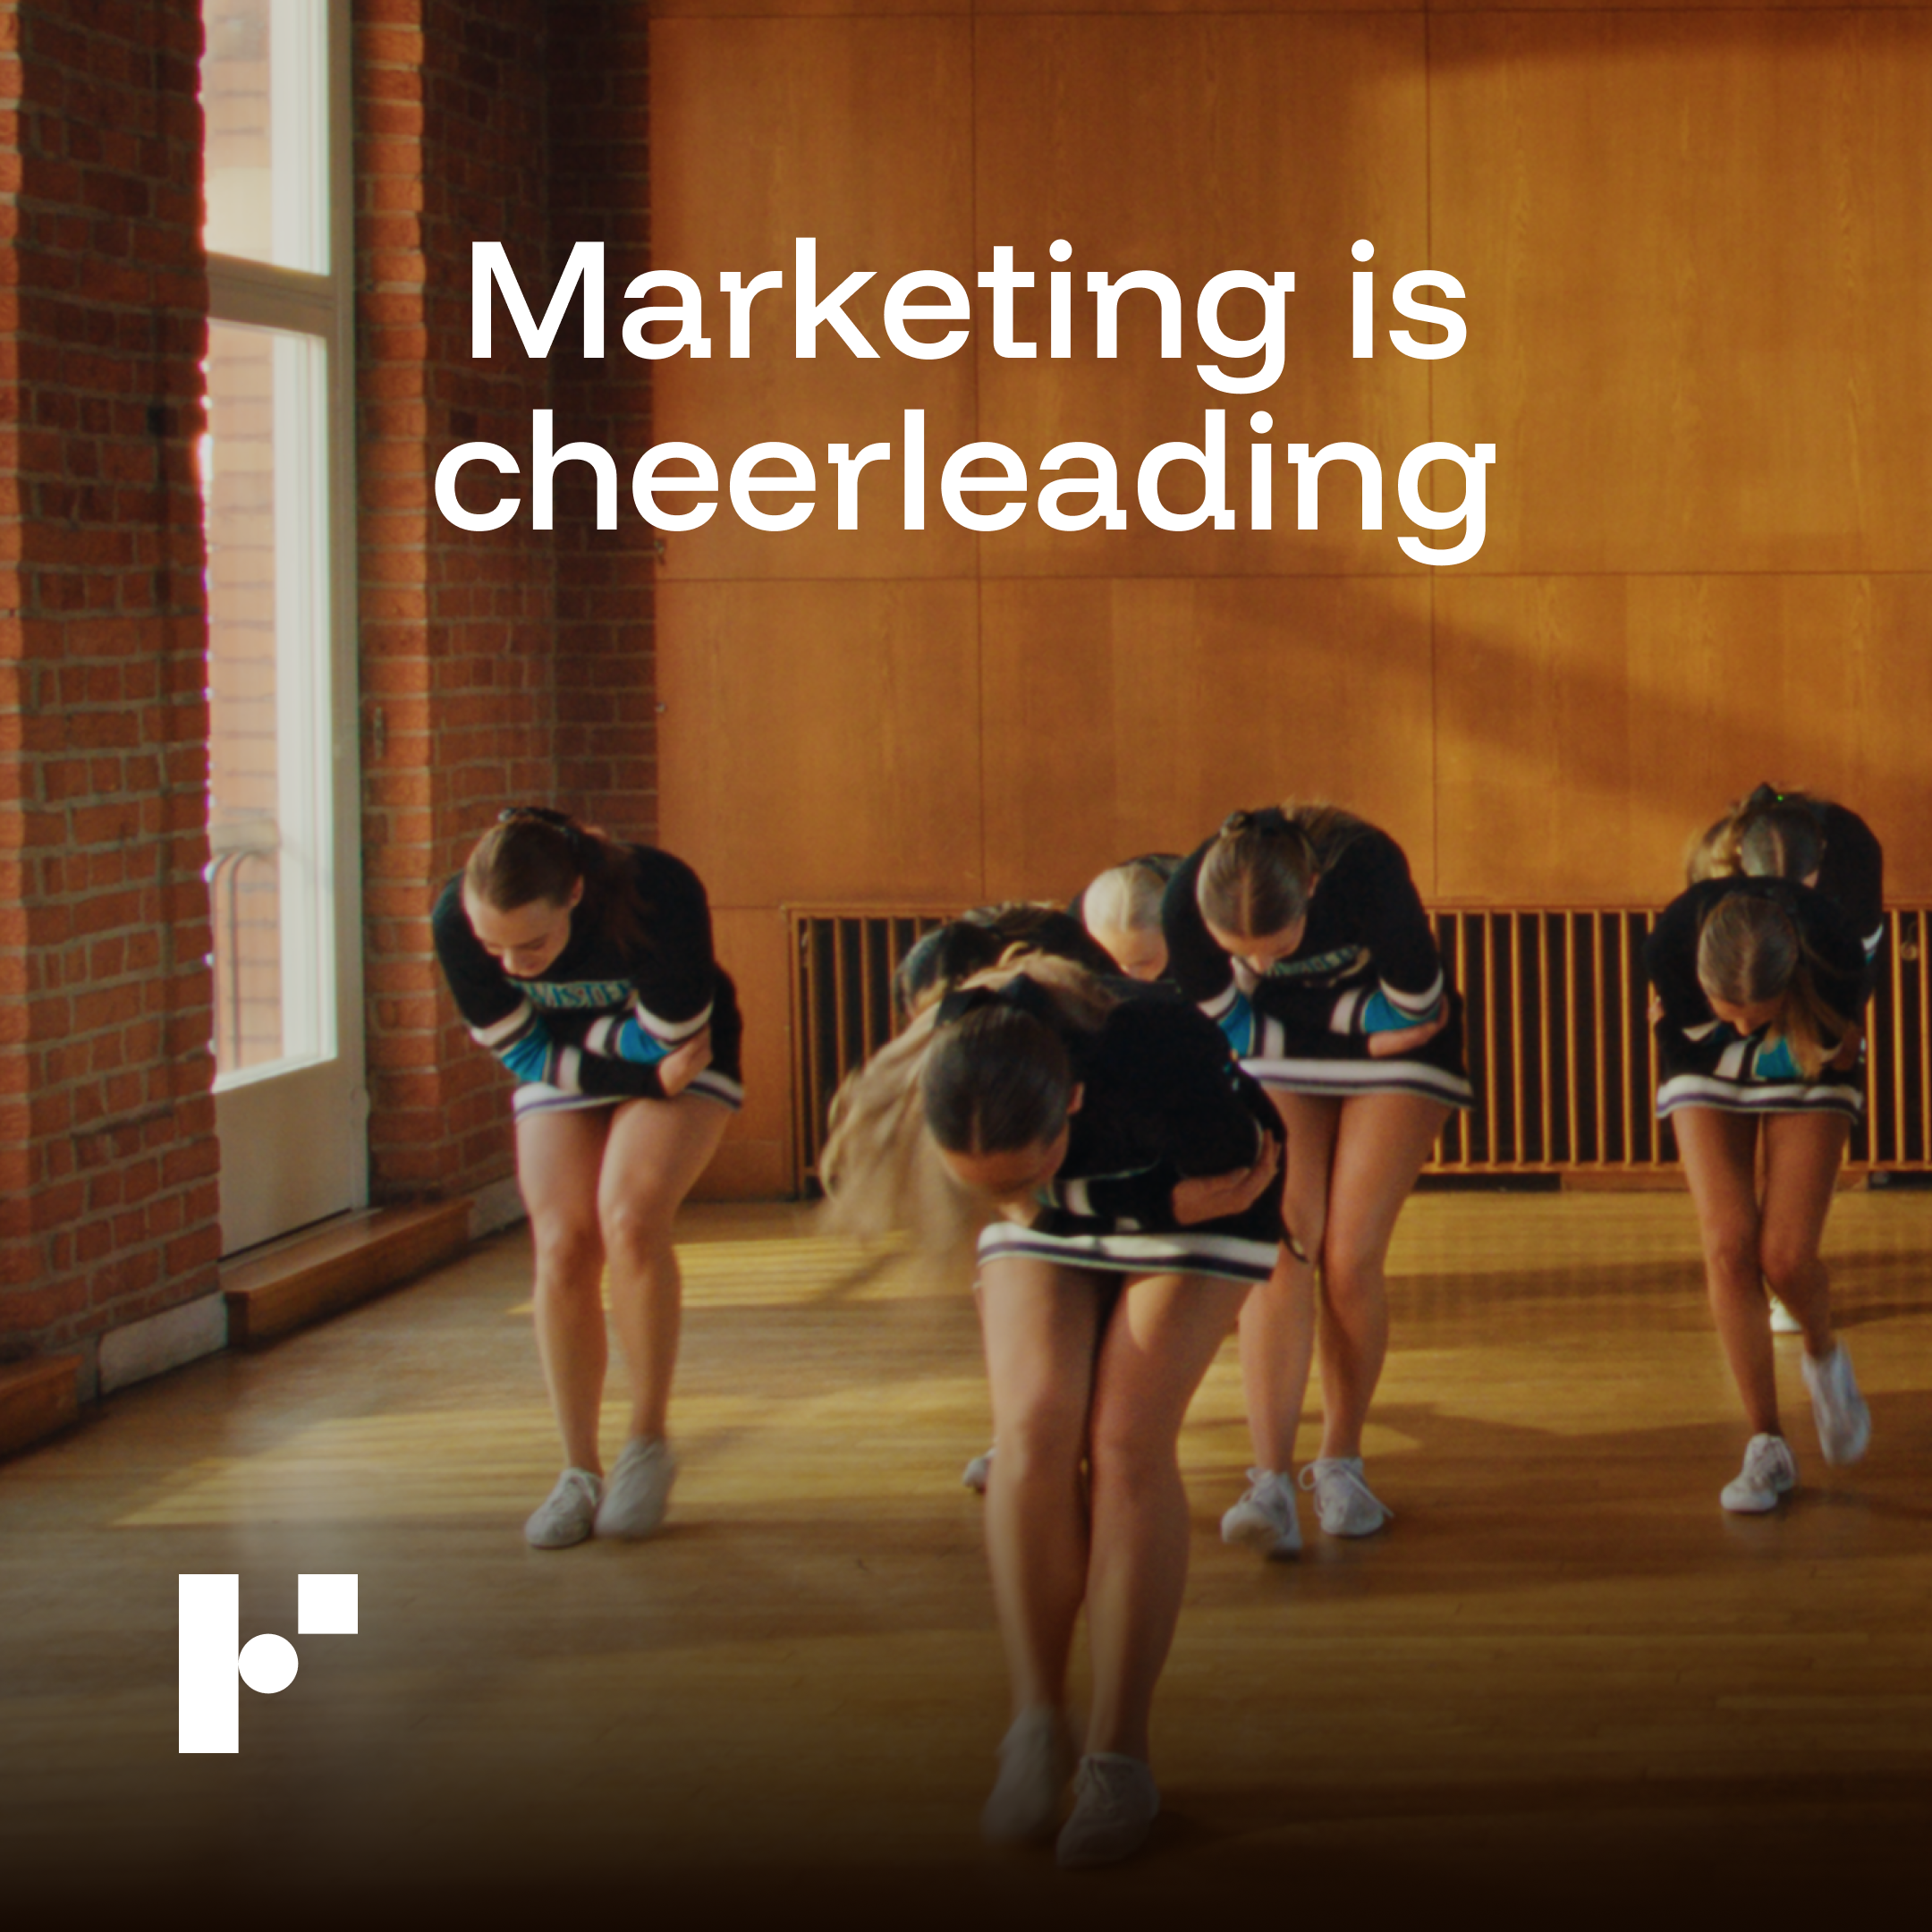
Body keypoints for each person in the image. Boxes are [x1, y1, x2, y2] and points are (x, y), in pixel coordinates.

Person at [821, 959, 1283, 1867]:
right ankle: (1036, 1724)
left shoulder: (1163, 1050)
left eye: (1010, 1171)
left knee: (1122, 1439)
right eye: (971, 1180)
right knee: (1031, 1428)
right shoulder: (967, 1077)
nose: (987, 1189)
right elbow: (1013, 1195)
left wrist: (1121, 1197)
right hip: (1063, 1201)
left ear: (1071, 1101)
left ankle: (1120, 1755)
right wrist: (1027, 1193)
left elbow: (1227, 1176)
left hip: (1200, 1201)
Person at [1163, 804, 1471, 1554]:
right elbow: (1223, 1022)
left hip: (1400, 1054)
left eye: (1280, 945)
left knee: (1349, 1257)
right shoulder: (1184, 899)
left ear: (1309, 886)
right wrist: (1343, 1020)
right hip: (1320, 1039)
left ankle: (1340, 1462)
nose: (1263, 965)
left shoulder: (1368, 869)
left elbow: (1420, 1009)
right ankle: (1269, 1483)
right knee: (1282, 1242)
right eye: (1245, 955)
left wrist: (1293, 1012)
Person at [432, 807, 742, 1548]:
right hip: (610, 1067)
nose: (512, 966)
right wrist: (621, 1053)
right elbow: (525, 1054)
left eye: (532, 943)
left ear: (574, 893)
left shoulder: (658, 891)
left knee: (629, 1218)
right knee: (565, 1242)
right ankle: (577, 1470)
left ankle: (646, 1443)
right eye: (493, 946)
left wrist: (587, 1047)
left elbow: (675, 1036)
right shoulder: (454, 919)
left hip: (691, 1063)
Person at [1643, 872, 1872, 1511]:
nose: (1743, 1029)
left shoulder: (1831, 950)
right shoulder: (1669, 945)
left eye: (1754, 1016)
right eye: (1730, 1013)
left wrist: (1786, 1030)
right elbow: (1679, 1034)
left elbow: (1840, 1046)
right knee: (1727, 1243)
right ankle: (1766, 1443)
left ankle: (1825, 1358)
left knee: (1786, 1256)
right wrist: (1717, 1030)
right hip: (1701, 1065)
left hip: (1808, 1052)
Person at [1689, 786, 1886, 1334]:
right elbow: (1704, 963)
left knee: (1800, 1141)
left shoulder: (1853, 860)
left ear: (1816, 872)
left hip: (1817, 991)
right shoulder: (1712, 866)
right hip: (1745, 985)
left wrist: (1838, 1033)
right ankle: (1753, 1264)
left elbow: (1854, 978)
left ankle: (1789, 1268)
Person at [1072, 854, 1182, 982]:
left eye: (1143, 963)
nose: (1130, 977)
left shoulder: (1204, 937)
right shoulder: (1071, 957)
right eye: (1109, 962)